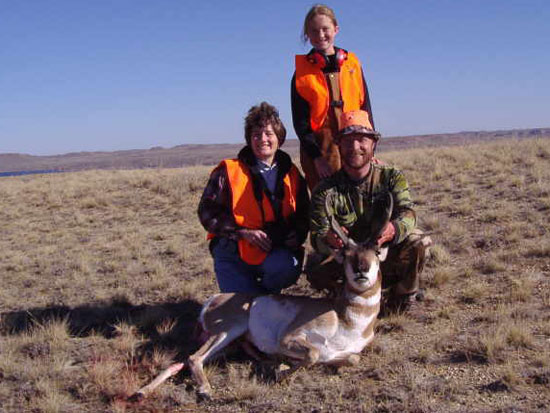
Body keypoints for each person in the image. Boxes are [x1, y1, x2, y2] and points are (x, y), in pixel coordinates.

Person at [308, 110, 432, 311]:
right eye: (348, 141)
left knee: (417, 240)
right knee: (314, 265)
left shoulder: (391, 177)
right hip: (348, 259)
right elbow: (316, 234)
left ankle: (402, 295)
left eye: (361, 140)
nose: (355, 147)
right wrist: (328, 239)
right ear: (338, 145)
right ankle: (347, 296)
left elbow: (408, 214)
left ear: (373, 144)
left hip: (382, 253)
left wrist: (393, 228)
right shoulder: (325, 190)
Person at [198, 102, 310, 294]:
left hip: (272, 251)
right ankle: (254, 297)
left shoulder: (292, 174)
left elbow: (303, 214)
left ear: (279, 138)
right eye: (256, 135)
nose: (262, 139)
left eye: (268, 134)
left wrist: (295, 235)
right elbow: (207, 211)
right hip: (233, 251)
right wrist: (242, 232)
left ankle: (263, 295)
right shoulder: (228, 171)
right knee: (240, 312)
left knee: (287, 267)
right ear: (249, 140)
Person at [291, 4, 377, 191]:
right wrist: (317, 158)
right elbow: (300, 123)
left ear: (336, 30)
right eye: (314, 31)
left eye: (325, 29)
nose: (320, 35)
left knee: (360, 200)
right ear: (307, 34)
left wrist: (371, 150)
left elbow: (366, 109)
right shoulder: (301, 73)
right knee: (326, 207)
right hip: (321, 151)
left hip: (354, 144)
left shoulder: (353, 65)